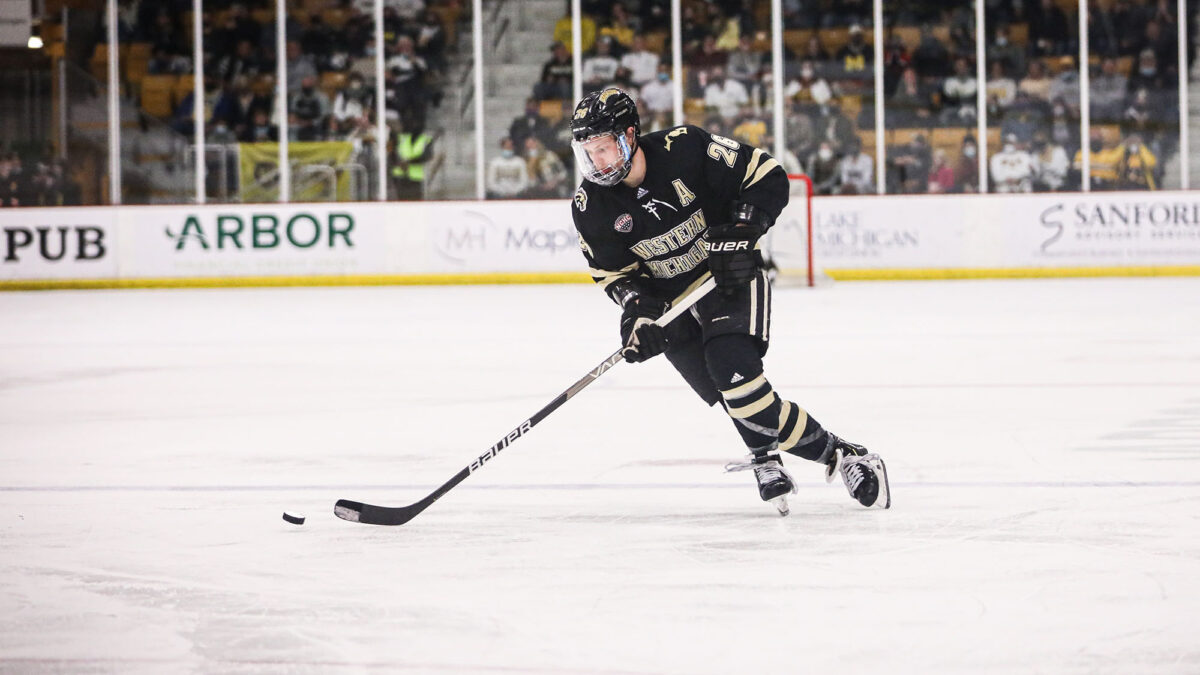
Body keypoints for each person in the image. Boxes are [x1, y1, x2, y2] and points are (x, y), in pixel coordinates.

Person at [567, 87, 891, 515]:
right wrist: (638, 316)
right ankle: (822, 454)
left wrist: (742, 231)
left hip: (727, 278)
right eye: (589, 152)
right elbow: (615, 275)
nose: (597, 162)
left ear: (629, 136)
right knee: (736, 399)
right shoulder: (590, 206)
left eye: (604, 148)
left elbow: (766, 175)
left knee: (733, 374)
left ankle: (800, 458)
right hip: (671, 303)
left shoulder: (685, 148)